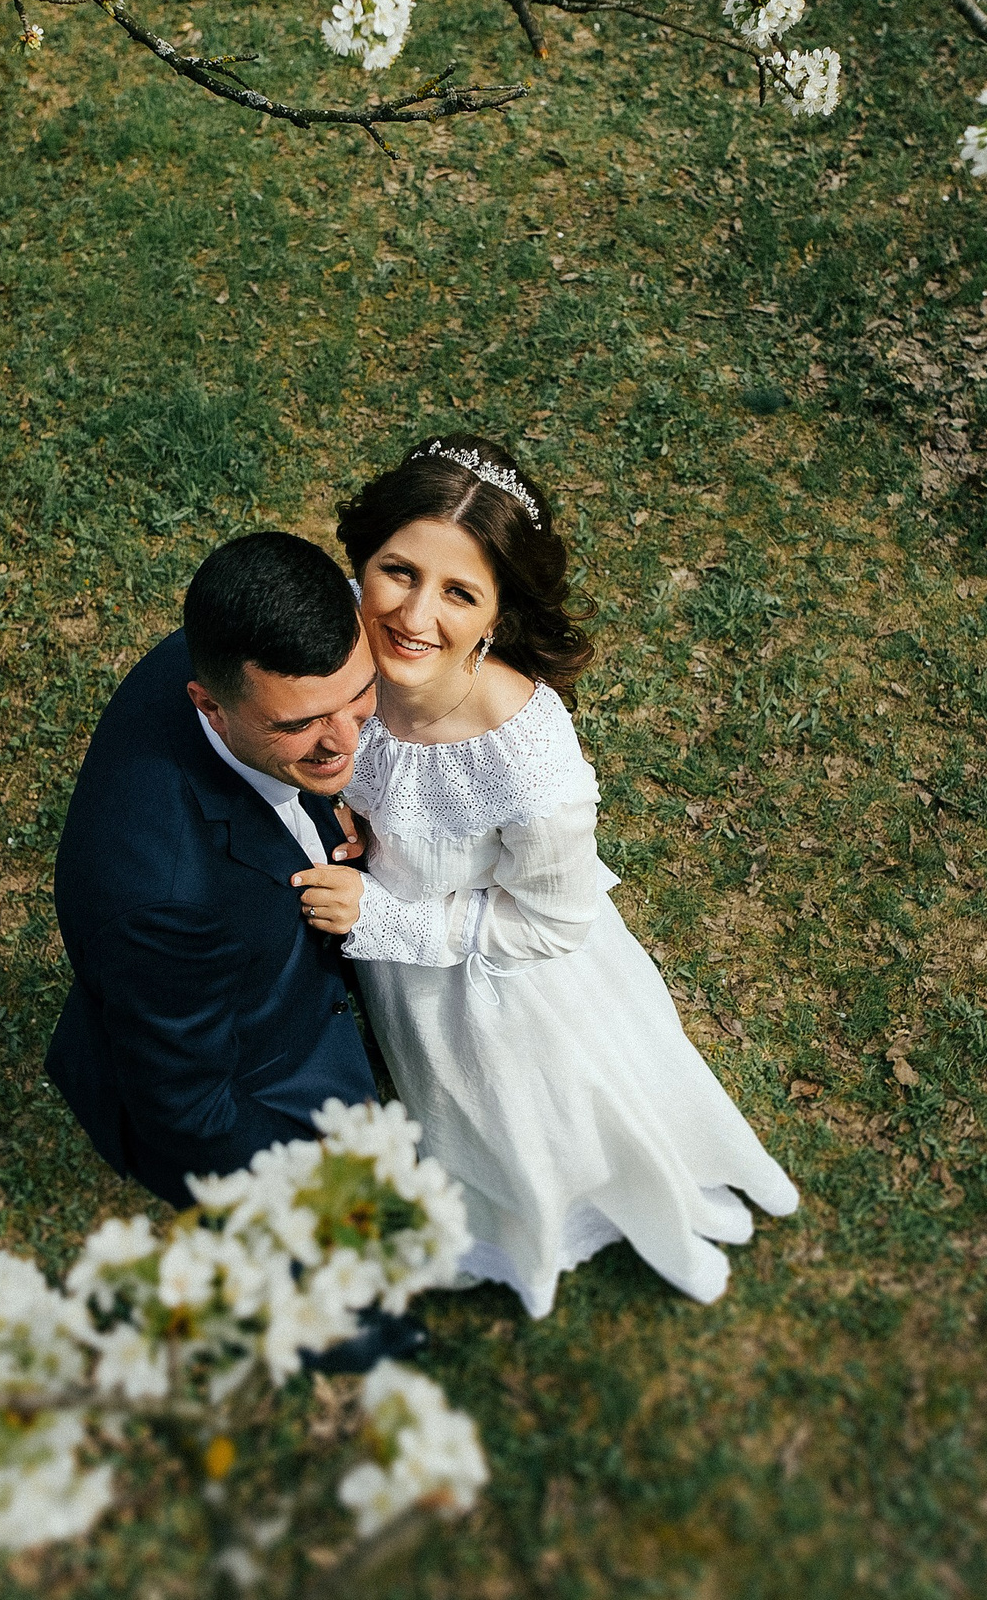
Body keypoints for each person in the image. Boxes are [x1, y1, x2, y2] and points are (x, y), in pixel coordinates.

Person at [326, 435, 799, 1318]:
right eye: (397, 571)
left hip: (502, 990)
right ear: (363, 560)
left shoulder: (524, 753)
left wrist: (384, 918)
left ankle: (566, 1220)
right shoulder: (338, 640)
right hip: (400, 980)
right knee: (446, 1111)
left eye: (459, 593)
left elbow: (550, 922)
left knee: (528, 1124)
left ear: (497, 615)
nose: (413, 614)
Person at [43, 532, 415, 1363]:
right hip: (251, 1077)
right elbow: (194, 1116)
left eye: (356, 697)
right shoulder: (164, 897)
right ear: (209, 705)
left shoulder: (234, 650)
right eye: (300, 726)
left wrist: (324, 809)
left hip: (251, 977)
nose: (343, 744)